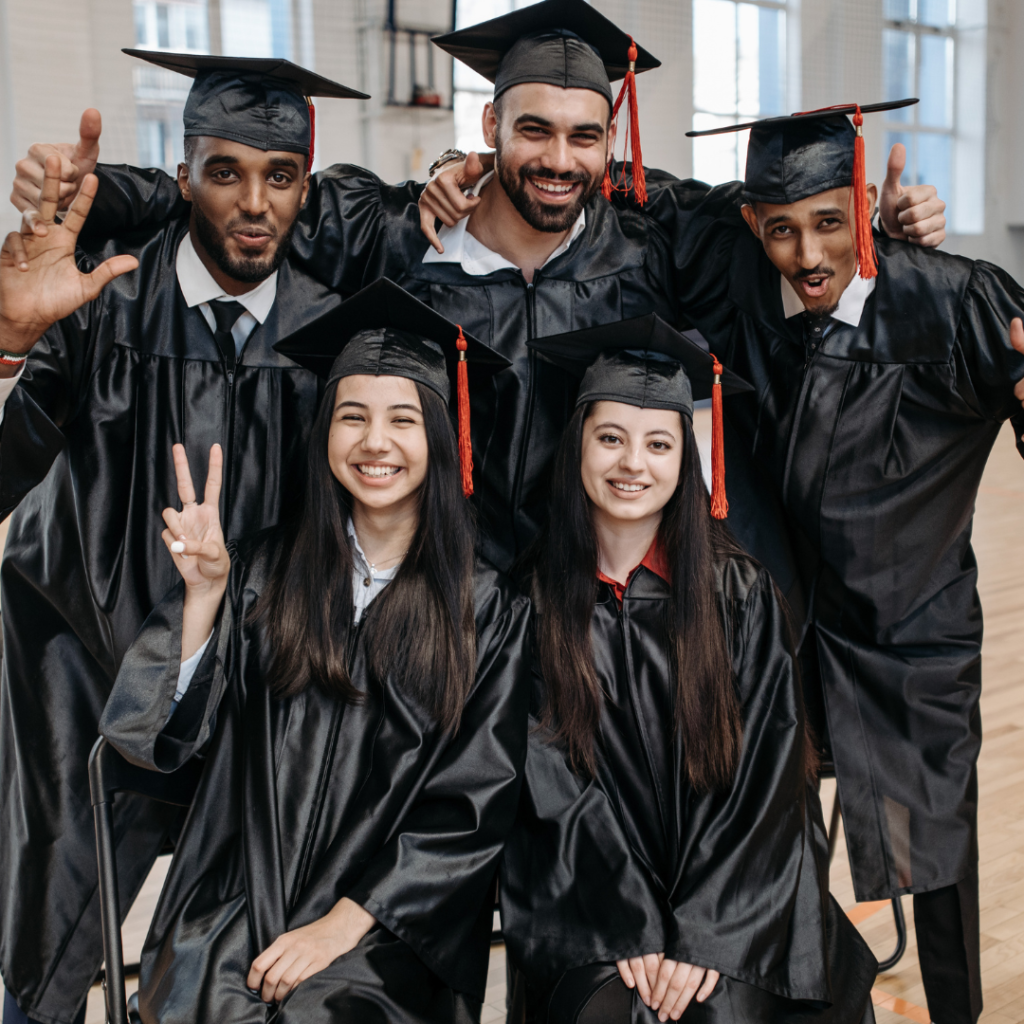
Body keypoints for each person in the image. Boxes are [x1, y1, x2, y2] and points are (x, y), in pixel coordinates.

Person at [9, 0, 947, 575]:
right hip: (446, 592)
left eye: (586, 136)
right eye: (534, 131)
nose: (560, 158)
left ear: (611, 142)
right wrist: (97, 199)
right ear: (490, 124)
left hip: (596, 588)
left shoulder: (654, 243)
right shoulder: (397, 234)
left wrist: (889, 231)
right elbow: (246, 203)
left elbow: (784, 229)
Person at [604, 101, 1024, 1024]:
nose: (806, 255)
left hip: (913, 644)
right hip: (789, 638)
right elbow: (647, 199)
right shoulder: (742, 281)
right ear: (754, 224)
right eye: (781, 230)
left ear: (864, 206)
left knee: (936, 856)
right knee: (768, 813)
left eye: (830, 222)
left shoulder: (952, 300)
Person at [0, 54, 368, 1024]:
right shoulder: (101, 305)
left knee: (251, 901)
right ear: (180, 175)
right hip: (77, 644)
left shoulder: (328, 335)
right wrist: (4, 345)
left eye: (279, 175)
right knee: (60, 887)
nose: (253, 201)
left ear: (307, 185)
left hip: (245, 664)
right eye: (223, 170)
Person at [100, 279, 530, 1024]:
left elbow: (471, 803)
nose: (374, 443)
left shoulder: (486, 609)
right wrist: (204, 598)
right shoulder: (260, 574)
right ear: (324, 432)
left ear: (439, 433)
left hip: (385, 934)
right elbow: (153, 741)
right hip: (231, 908)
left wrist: (344, 923)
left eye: (403, 419)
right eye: (352, 416)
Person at [499, 315, 877, 1024]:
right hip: (589, 903)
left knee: (717, 1011)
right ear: (576, 444)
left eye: (659, 444)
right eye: (610, 437)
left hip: (738, 901)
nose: (632, 464)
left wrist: (703, 929)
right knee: (619, 1012)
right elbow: (546, 786)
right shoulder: (530, 602)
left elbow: (768, 782)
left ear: (687, 460)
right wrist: (631, 920)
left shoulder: (739, 595)